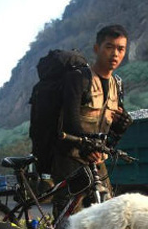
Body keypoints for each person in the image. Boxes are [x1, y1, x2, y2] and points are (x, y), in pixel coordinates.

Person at [51, 24, 133, 217]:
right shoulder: (79, 78)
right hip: (70, 158)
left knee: (108, 217)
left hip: (98, 160)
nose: (115, 54)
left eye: (120, 49)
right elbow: (70, 119)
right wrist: (86, 147)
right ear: (97, 48)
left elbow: (110, 129)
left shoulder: (117, 85)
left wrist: (120, 128)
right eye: (109, 46)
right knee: (70, 222)